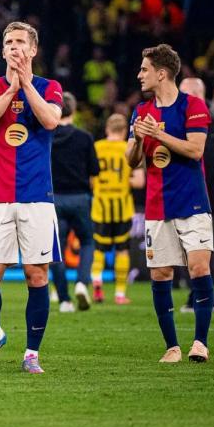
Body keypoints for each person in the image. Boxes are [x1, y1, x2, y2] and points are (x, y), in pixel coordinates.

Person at [0, 21, 63, 374]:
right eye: (8, 42)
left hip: (37, 196)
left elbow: (51, 120)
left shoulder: (49, 87)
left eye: (21, 42)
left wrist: (26, 84)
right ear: (2, 50)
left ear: (33, 50)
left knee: (36, 276)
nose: (14, 47)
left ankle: (31, 354)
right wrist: (10, 91)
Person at [126, 44, 214, 363]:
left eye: (144, 69)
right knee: (160, 274)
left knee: (199, 267)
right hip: (156, 206)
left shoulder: (193, 106)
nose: (139, 75)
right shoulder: (140, 112)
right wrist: (138, 139)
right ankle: (172, 347)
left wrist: (158, 135)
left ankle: (200, 343)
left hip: (191, 202)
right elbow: (131, 162)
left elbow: (195, 150)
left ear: (161, 73)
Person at [48, 92, 99, 312]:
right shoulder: (84, 137)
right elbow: (94, 171)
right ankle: (81, 282)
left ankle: (64, 300)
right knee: (87, 242)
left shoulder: (46, 136)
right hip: (79, 198)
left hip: (53, 199)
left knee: (55, 251)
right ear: (75, 111)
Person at [178, 77, 214, 313]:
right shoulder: (191, 118)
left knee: (200, 248)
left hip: (202, 193)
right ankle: (202, 294)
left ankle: (207, 295)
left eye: (185, 93)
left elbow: (209, 160)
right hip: (191, 191)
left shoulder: (208, 121)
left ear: (197, 93)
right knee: (191, 248)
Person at [91, 113, 136, 305]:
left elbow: (91, 180)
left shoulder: (96, 147)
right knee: (122, 250)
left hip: (101, 205)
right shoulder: (128, 147)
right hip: (123, 207)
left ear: (107, 129)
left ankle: (97, 283)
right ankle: (119, 294)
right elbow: (140, 180)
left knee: (99, 249)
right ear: (124, 130)